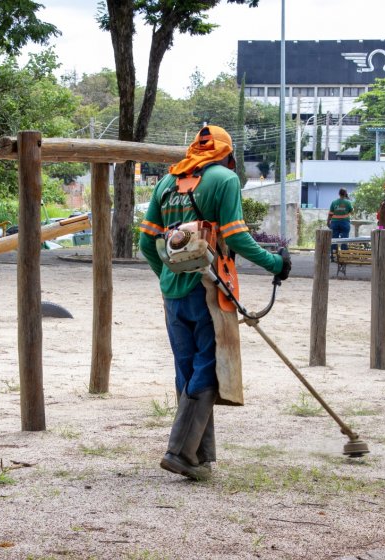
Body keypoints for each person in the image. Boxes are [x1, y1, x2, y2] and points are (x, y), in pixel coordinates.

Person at [139, 125, 291, 481]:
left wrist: (167, 275)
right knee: (209, 364)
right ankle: (179, 451)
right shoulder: (224, 179)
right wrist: (275, 263)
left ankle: (199, 455)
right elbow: (236, 236)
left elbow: (147, 244)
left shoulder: (167, 182)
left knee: (186, 368)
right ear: (226, 153)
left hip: (173, 293)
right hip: (209, 288)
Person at [327, 188, 353, 258]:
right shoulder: (348, 202)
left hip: (334, 223)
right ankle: (343, 256)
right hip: (345, 223)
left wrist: (328, 222)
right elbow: (352, 212)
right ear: (345, 194)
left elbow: (330, 214)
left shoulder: (334, 202)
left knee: (334, 240)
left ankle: (333, 256)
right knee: (344, 239)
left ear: (339, 194)